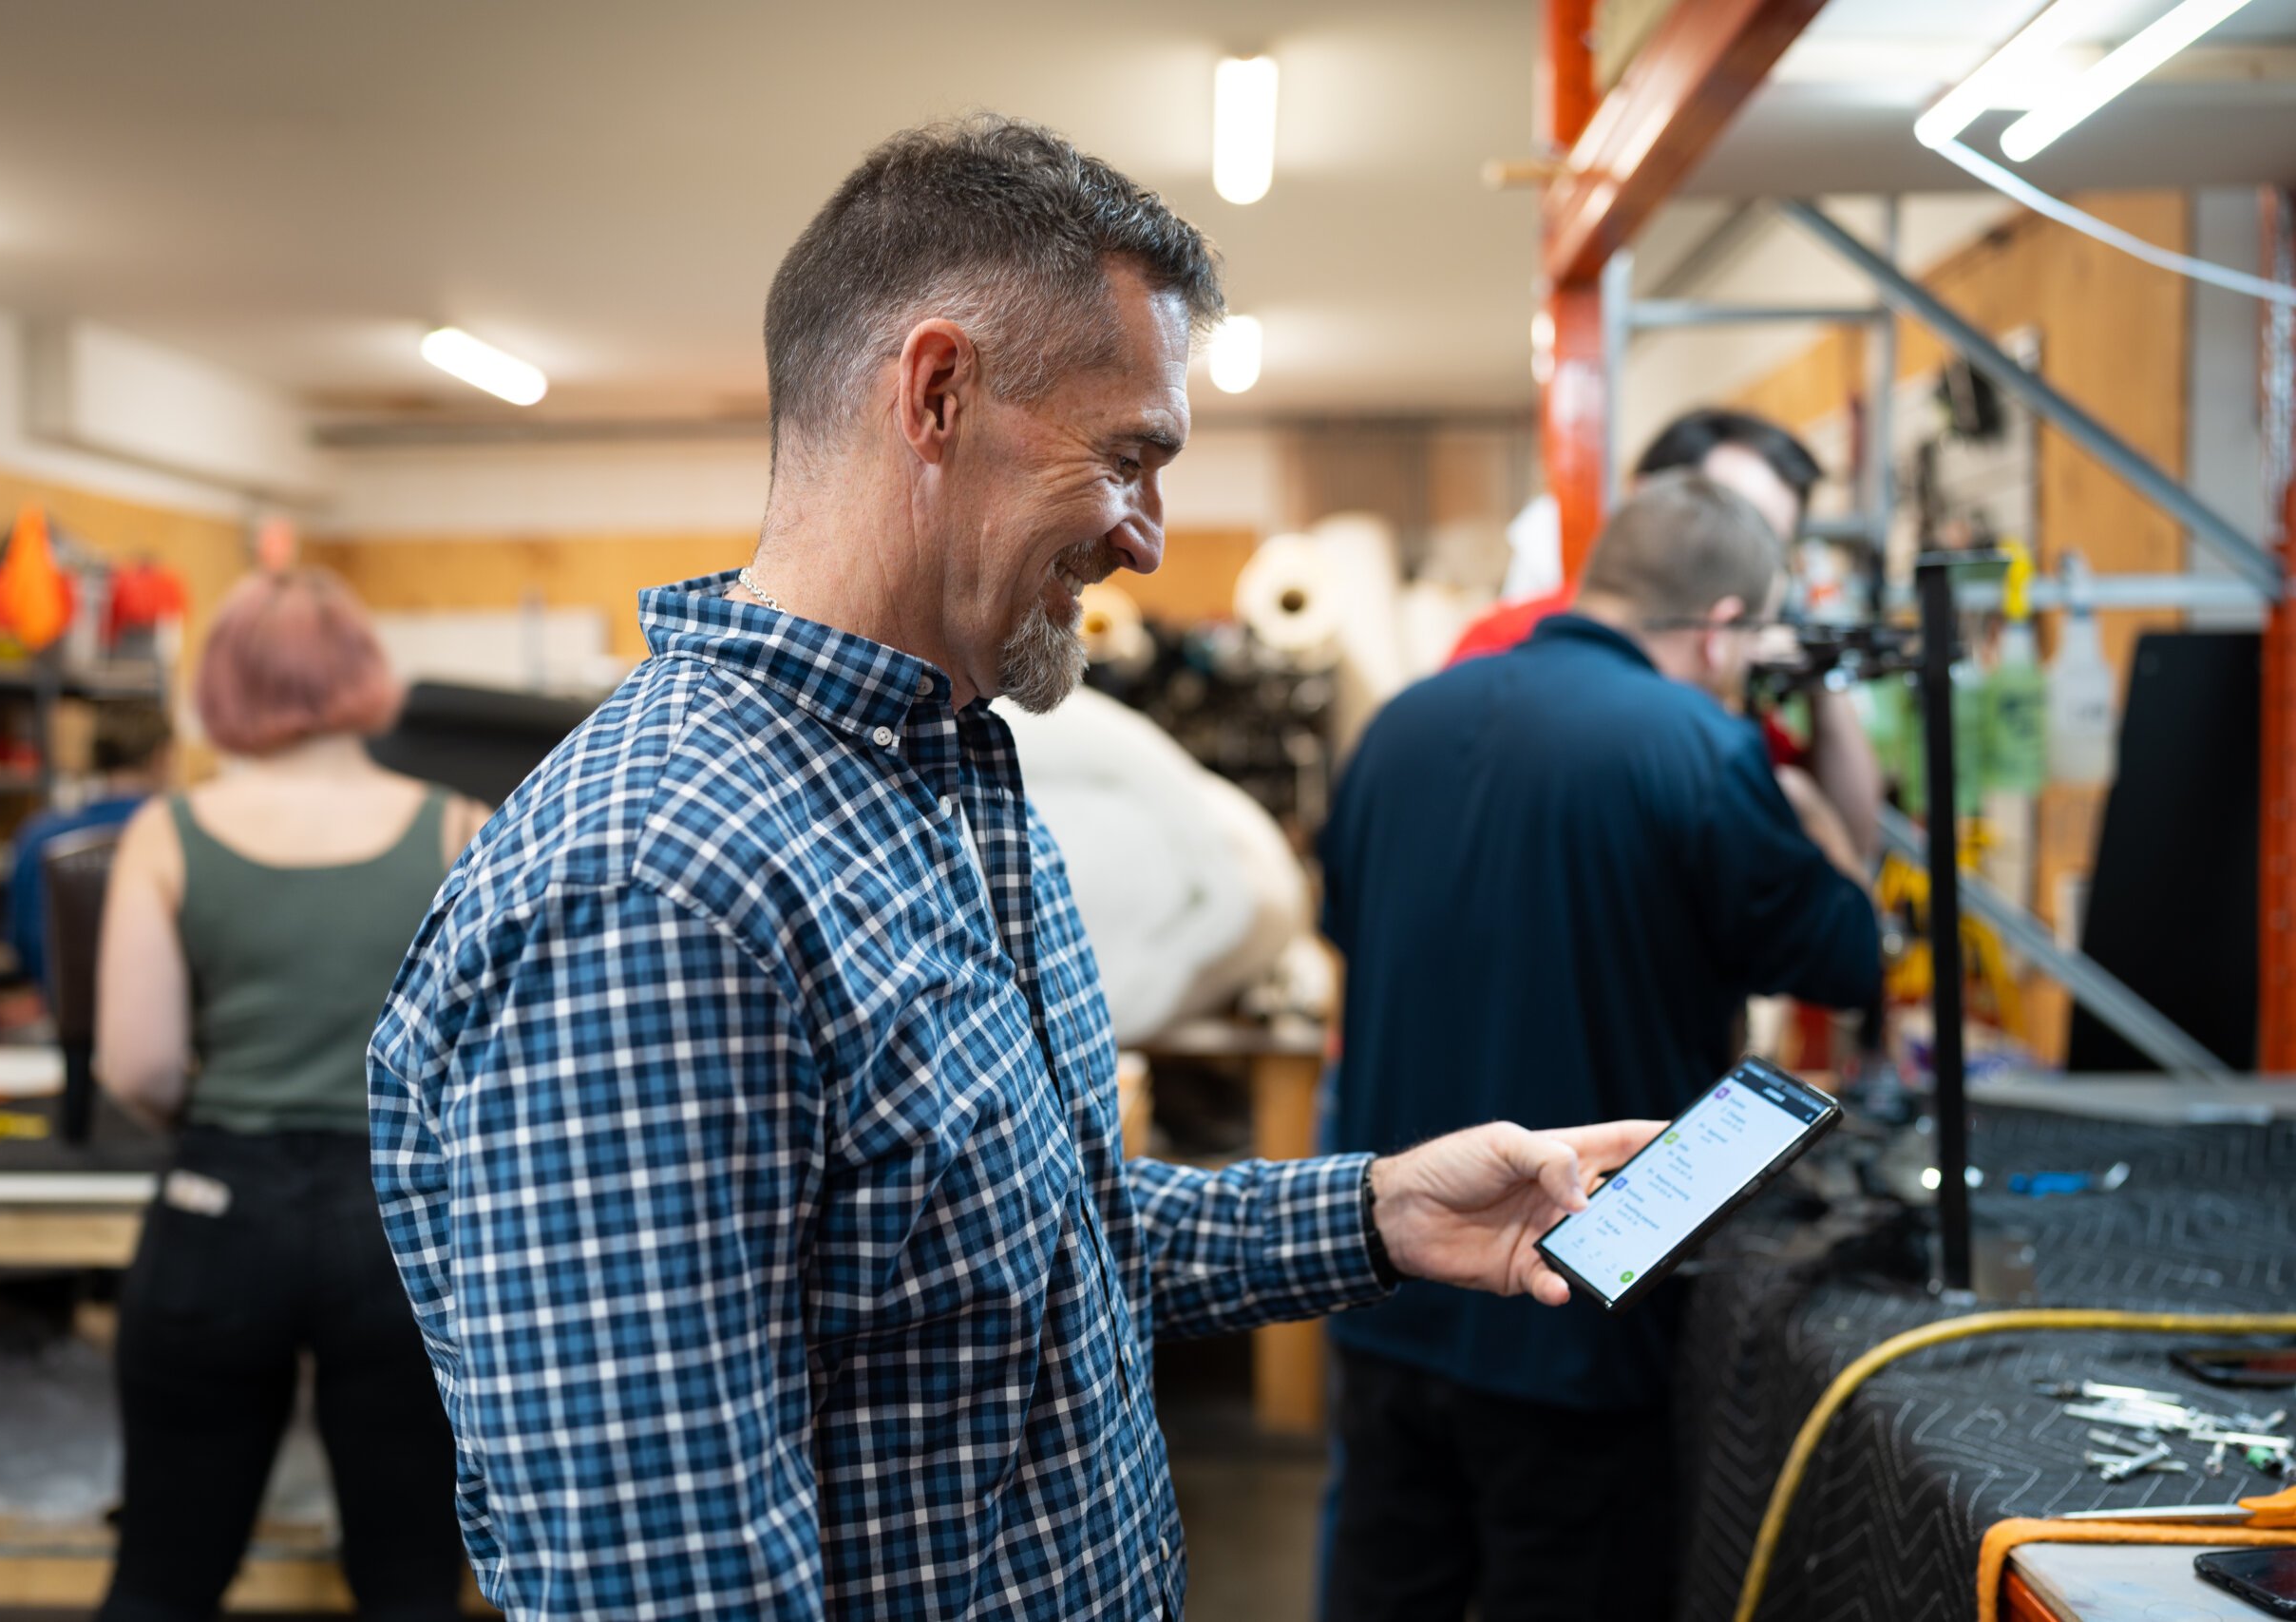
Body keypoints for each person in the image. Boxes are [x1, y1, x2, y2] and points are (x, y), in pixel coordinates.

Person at [369, 116, 1660, 1622]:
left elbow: (1044, 1240)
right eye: (1129, 457)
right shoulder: (659, 889)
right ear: (937, 392)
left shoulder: (944, 775)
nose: (1152, 538)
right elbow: (671, 1592)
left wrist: (1379, 1212)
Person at [1317, 474, 1885, 1622]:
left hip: (1393, 1280)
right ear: (1724, 629)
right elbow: (1846, 952)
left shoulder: (1404, 721)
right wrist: (1823, 755)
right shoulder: (1694, 746)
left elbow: (1344, 931)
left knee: (1385, 1586)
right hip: (1576, 1298)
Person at [92, 568, 486, 1622]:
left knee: (165, 1573)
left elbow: (137, 1065)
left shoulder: (166, 835)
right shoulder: (460, 829)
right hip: (399, 1222)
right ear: (365, 674)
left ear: (221, 685)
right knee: (410, 1577)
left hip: (220, 1209)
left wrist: (223, 1120)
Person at [1451, 407, 1882, 868]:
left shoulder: (1735, 671)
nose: (1750, 562)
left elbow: (1851, 837)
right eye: (1729, 517)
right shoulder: (1505, 639)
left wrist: (1817, 678)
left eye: (1772, 545)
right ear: (1651, 499)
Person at [5, 702, 173, 995]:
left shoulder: (38, 835)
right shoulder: (173, 835)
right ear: (161, 757)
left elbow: (17, 943)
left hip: (61, 1013)